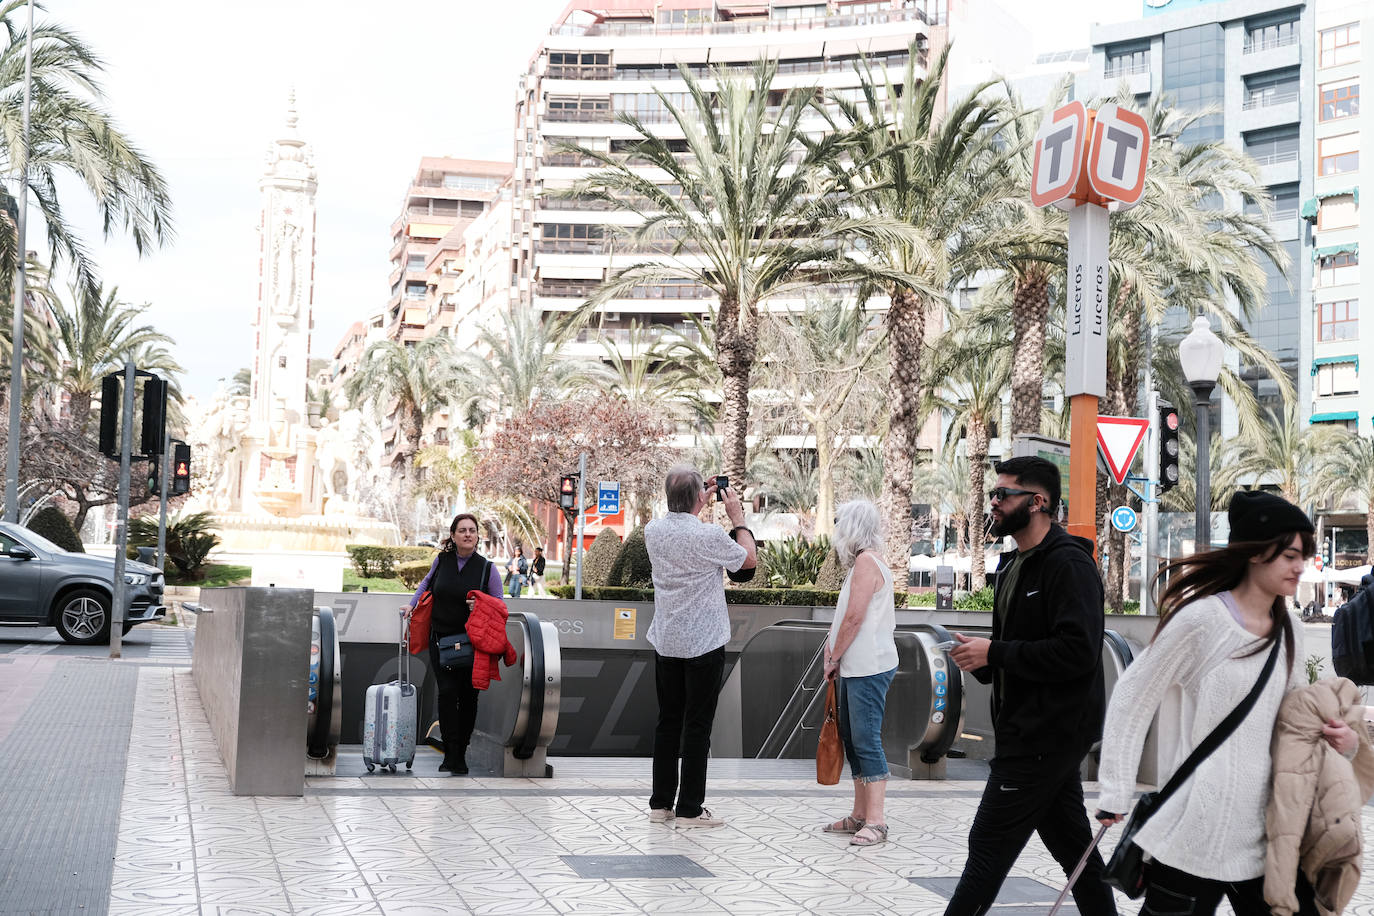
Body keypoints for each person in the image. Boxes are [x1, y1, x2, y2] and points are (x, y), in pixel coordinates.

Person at [1095, 491, 1357, 916]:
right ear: (1256, 553)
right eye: (1290, 555)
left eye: (1302, 556)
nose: (1299, 566)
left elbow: (1291, 716)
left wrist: (1339, 739)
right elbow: (1133, 695)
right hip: (1194, 833)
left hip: (1266, 833)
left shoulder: (1289, 626)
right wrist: (1116, 789)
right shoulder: (1201, 620)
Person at [945, 456, 1116, 916]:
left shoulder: (1068, 565)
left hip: (1044, 736)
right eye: (993, 494)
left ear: (1038, 502)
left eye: (1004, 494)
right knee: (1076, 853)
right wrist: (980, 660)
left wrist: (995, 653)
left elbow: (1077, 652)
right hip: (1030, 733)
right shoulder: (1014, 564)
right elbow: (1022, 648)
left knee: (986, 849)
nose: (994, 503)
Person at [643, 465, 756, 827]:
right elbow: (748, 563)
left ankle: (660, 805)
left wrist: (694, 501)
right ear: (698, 498)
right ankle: (690, 807)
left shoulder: (652, 531)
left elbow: (679, 519)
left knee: (667, 722)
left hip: (667, 639)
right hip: (704, 642)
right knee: (697, 726)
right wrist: (738, 519)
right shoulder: (709, 536)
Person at [820, 499, 898, 848]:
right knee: (853, 739)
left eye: (839, 523)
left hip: (868, 665)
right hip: (856, 665)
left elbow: (855, 618)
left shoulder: (867, 563)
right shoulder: (864, 562)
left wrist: (834, 655)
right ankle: (860, 815)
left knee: (866, 739)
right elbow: (845, 618)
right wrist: (833, 651)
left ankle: (877, 821)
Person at [407, 513, 505, 775]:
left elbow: (500, 604)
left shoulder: (487, 568)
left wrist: (481, 604)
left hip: (474, 645)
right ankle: (450, 752)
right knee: (448, 694)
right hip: (441, 639)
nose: (468, 534)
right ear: (453, 535)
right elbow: (426, 584)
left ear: (477, 536)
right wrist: (411, 605)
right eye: (462, 530)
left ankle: (461, 752)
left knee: (468, 697)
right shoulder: (442, 561)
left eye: (472, 530)